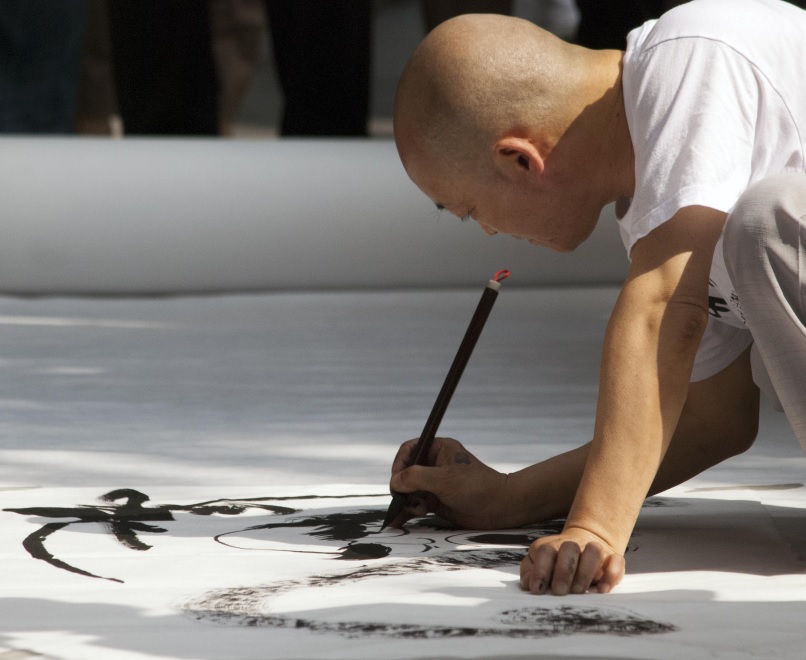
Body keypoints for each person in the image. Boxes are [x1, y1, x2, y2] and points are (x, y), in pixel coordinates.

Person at [389, 0, 806, 596]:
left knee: (769, 224)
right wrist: (510, 498)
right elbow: (710, 422)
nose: (486, 231)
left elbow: (664, 308)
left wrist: (595, 528)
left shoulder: (694, 54)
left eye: (471, 210)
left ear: (519, 159)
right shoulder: (663, 206)